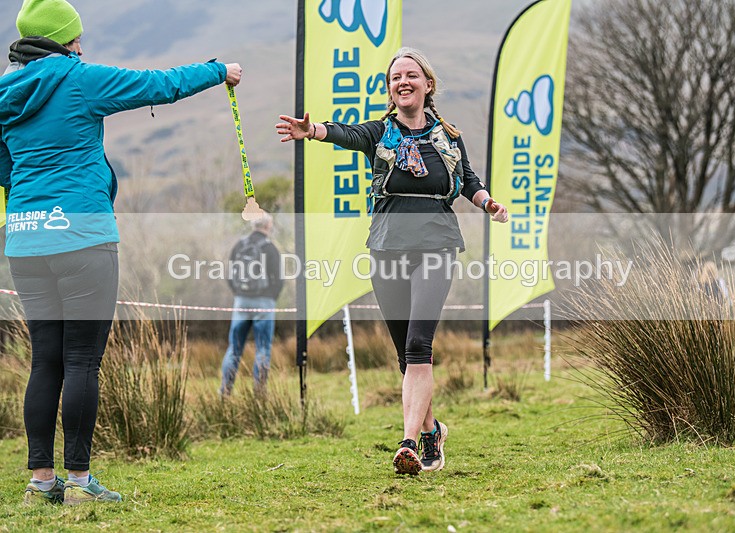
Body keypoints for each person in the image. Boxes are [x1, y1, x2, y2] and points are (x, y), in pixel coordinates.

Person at [0, 0, 242, 505]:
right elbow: (160, 85)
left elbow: (4, 171)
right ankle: (81, 485)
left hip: (25, 239)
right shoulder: (79, 78)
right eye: (76, 37)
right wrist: (219, 70)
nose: (82, 45)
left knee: (45, 361)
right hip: (83, 236)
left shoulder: (6, 93)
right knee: (83, 360)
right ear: (64, 41)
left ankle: (41, 483)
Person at [276, 47, 508, 475]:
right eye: (396, 77)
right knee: (406, 353)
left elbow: (466, 180)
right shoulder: (379, 133)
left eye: (411, 75)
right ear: (390, 89)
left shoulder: (449, 137)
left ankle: (408, 444)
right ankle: (432, 430)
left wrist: (487, 201)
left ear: (428, 84)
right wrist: (314, 131)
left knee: (420, 344)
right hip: (386, 248)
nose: (403, 81)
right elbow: (343, 133)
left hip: (437, 245)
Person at [220, 213, 284, 395]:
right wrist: (271, 298)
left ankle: (225, 391)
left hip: (241, 301)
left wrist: (239, 293)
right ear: (268, 226)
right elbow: (279, 279)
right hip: (264, 302)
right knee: (263, 348)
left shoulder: (240, 245)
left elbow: (230, 274)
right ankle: (259, 394)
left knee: (234, 348)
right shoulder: (270, 248)